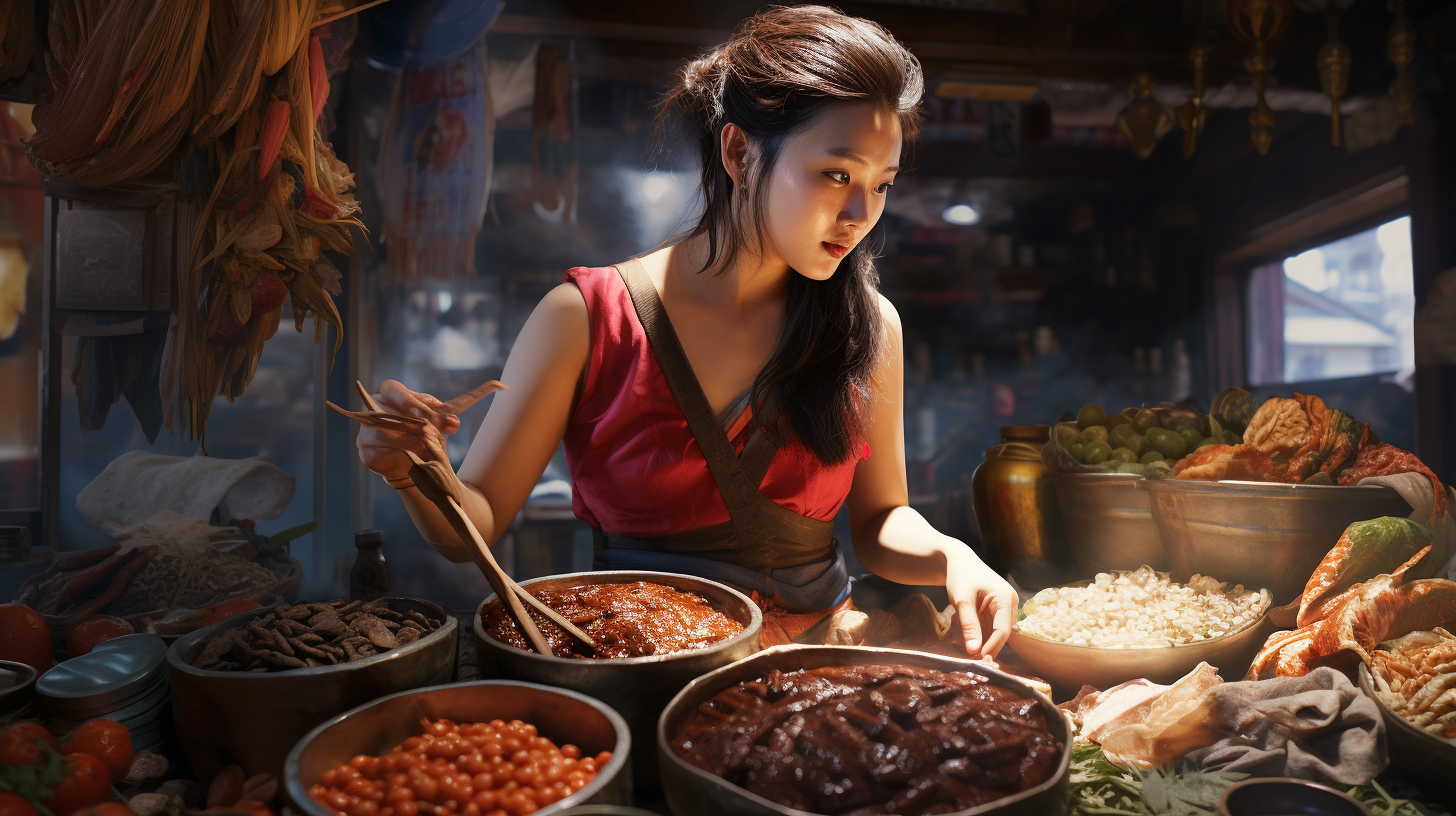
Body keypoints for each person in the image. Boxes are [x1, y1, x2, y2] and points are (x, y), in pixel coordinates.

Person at [355, 5, 1018, 657]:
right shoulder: (584, 318)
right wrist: (415, 470)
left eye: (882, 185)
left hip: (817, 677)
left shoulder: (870, 325)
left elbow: (878, 524)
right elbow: (476, 522)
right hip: (638, 672)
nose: (859, 212)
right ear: (739, 150)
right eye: (836, 174)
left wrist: (952, 555)